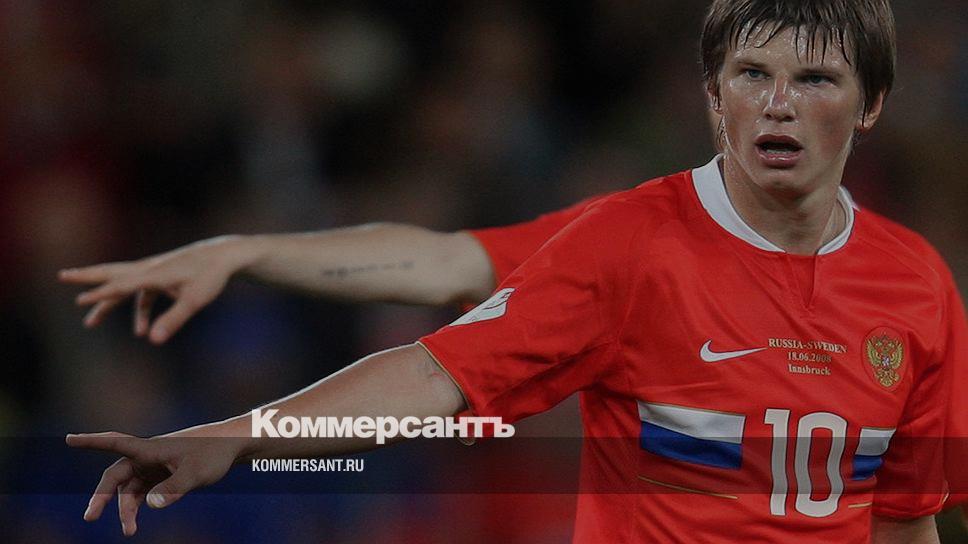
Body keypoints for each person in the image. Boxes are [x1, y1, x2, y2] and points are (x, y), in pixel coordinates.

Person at [63, 1, 963, 541]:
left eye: (815, 79)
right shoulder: (625, 246)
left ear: (872, 103)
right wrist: (237, 431)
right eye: (751, 74)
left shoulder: (916, 286)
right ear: (711, 97)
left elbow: (905, 518)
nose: (777, 104)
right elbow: (435, 360)